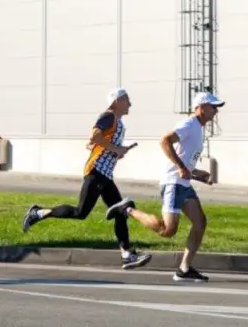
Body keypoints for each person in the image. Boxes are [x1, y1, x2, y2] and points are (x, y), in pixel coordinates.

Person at [20, 87, 151, 270]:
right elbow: (93, 136)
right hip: (96, 171)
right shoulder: (109, 116)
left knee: (122, 210)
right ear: (117, 101)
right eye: (127, 100)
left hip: (105, 174)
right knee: (80, 213)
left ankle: (127, 254)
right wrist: (115, 149)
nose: (130, 104)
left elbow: (90, 145)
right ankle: (38, 213)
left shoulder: (117, 121)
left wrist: (115, 152)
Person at [107, 90, 225, 282]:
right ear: (201, 107)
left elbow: (184, 160)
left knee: (200, 222)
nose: (216, 111)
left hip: (184, 184)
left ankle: (184, 269)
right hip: (173, 184)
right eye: (213, 107)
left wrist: (196, 174)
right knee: (167, 230)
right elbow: (164, 141)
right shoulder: (189, 124)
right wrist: (180, 167)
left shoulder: (198, 128)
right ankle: (127, 209)